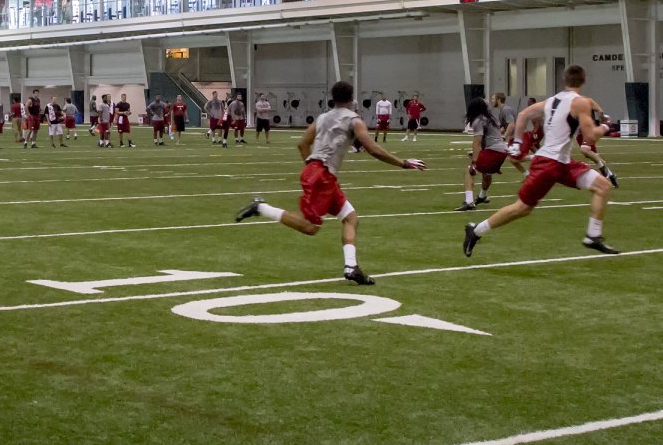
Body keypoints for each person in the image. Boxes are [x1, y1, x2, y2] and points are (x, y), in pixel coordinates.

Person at [236, 80, 426, 285]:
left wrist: (313, 168)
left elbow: (302, 144)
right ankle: (261, 208)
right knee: (311, 227)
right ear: (352, 99)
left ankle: (351, 267)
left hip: (319, 171)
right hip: (323, 175)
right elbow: (373, 149)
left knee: (350, 217)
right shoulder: (354, 120)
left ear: (332, 98)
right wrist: (403, 163)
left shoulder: (322, 117)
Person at [464, 65, 617, 258]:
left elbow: (523, 115)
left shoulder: (553, 100)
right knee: (523, 208)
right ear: (584, 80)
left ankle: (593, 236)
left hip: (562, 163)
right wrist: (605, 126)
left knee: (602, 186)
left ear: (564, 81)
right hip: (549, 164)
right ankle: (476, 230)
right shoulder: (580, 103)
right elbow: (591, 136)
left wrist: (518, 142)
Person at [460, 97, 512, 210]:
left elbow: (477, 142)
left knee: (470, 170)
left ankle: (469, 202)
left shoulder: (478, 120)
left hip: (494, 151)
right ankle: (482, 196)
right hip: (502, 151)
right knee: (486, 173)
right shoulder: (490, 119)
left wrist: (474, 160)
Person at [578, 100, 619, 188]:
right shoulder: (576, 104)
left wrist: (602, 120)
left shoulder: (586, 102)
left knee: (585, 149)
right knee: (593, 155)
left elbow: (600, 111)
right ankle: (611, 176)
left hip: (588, 131)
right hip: (580, 133)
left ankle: (603, 168)